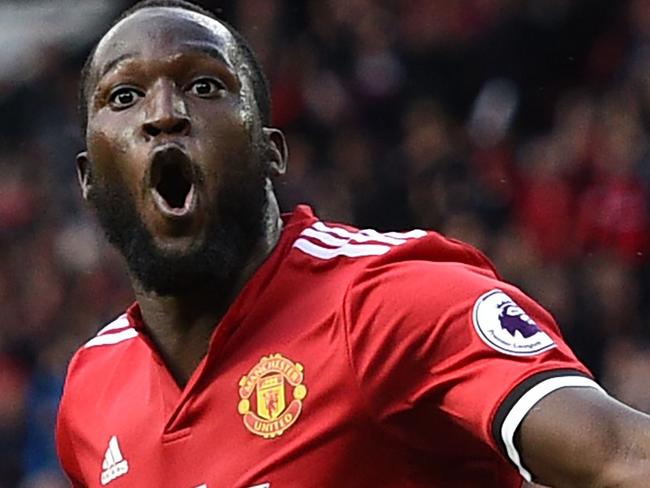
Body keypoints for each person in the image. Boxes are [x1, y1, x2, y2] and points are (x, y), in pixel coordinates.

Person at [55, 1, 650, 487]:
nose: (164, 115)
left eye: (206, 85)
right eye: (124, 96)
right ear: (87, 177)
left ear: (272, 153)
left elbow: (621, 457)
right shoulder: (89, 395)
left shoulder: (390, 302)